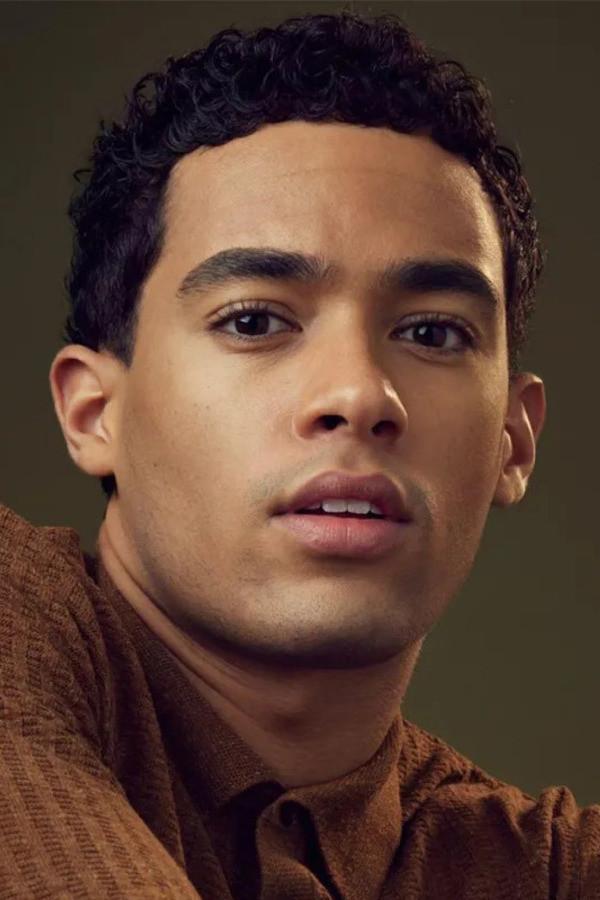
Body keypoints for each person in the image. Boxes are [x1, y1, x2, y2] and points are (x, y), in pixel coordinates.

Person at [1, 8, 595, 899]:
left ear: (514, 439)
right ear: (94, 412)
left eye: (432, 332)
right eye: (254, 321)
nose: (360, 395)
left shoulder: (544, 868)